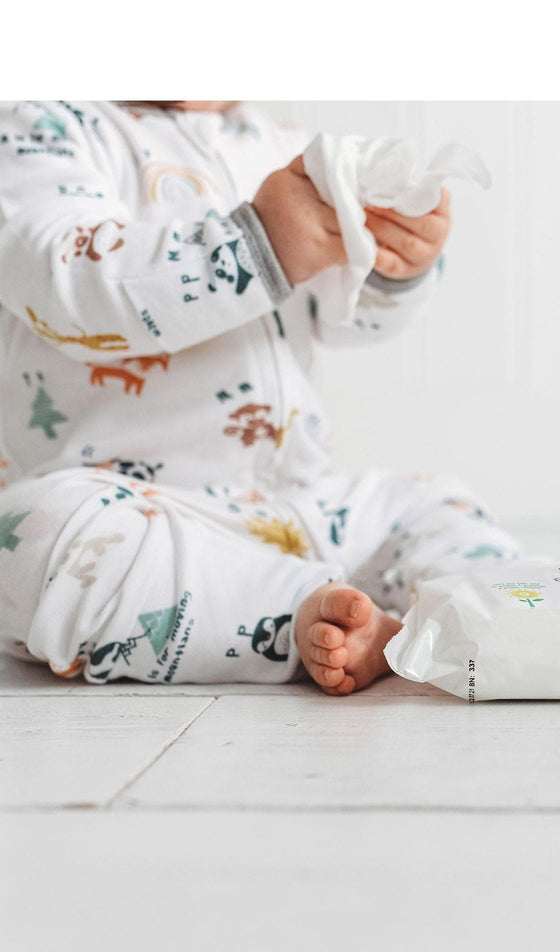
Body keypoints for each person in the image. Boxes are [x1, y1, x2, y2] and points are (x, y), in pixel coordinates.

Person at [0, 100, 521, 693]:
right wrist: (258, 245)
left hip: (299, 504)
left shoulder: (281, 146)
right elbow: (73, 290)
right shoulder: (39, 134)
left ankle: (512, 620)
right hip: (132, 515)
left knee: (435, 506)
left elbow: (342, 316)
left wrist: (390, 264)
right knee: (26, 538)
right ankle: (299, 613)